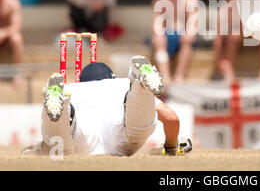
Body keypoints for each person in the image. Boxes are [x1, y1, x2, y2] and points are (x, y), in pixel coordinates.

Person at [22, 57, 192, 157]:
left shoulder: (74, 88)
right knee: (137, 113)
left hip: (80, 140)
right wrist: (171, 147)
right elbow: (171, 117)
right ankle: (138, 82)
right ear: (111, 77)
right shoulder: (120, 84)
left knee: (59, 142)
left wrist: (35, 150)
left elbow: (36, 150)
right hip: (122, 138)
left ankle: (60, 102)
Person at [152, 0, 197, 85]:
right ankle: (165, 77)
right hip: (167, 33)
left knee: (187, 41)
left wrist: (189, 33)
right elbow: (157, 23)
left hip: (183, 33)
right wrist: (159, 35)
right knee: (158, 41)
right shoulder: (159, 0)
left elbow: (193, 21)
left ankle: (179, 76)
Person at [213, 0, 260, 82]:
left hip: (251, 38)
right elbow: (218, 38)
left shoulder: (252, 6)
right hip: (235, 39)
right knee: (234, 36)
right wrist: (220, 60)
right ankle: (228, 72)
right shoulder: (225, 8)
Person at [0, 0, 25, 88]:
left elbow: (17, 26)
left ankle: (17, 75)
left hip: (8, 36)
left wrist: (3, 33)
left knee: (17, 38)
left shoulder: (12, 2)